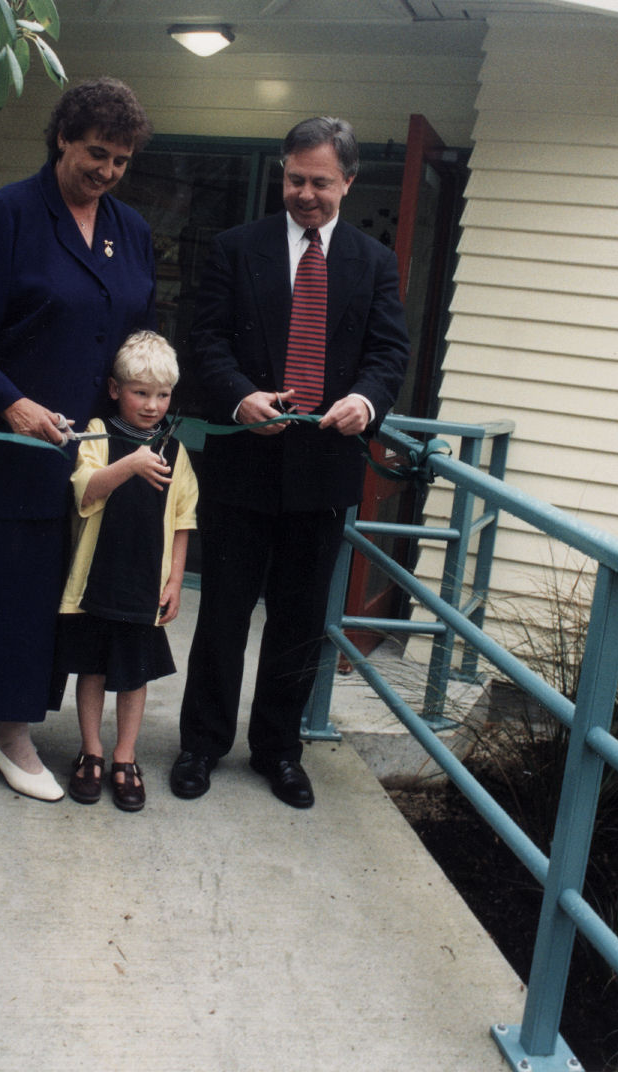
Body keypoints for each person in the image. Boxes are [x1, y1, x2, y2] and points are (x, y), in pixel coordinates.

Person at [0, 77, 157, 802]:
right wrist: (13, 404)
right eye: (96, 152)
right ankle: (9, 733)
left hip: (82, 454)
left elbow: (131, 342)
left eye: (120, 159)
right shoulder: (12, 214)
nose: (106, 171)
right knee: (5, 589)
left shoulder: (132, 230)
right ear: (61, 137)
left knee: (49, 593)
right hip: (4, 447)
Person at [170, 115, 410, 809]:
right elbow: (206, 340)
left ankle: (277, 750)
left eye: (320, 183)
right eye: (294, 179)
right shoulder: (233, 248)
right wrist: (240, 397)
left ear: (348, 182)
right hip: (243, 465)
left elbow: (388, 355)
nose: (305, 194)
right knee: (220, 614)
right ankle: (201, 744)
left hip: (323, 472)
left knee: (299, 621)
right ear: (282, 173)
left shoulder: (372, 262)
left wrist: (365, 403)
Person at [54, 331, 198, 812]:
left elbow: (182, 521)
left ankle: (124, 757)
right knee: (92, 668)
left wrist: (175, 581)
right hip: (97, 582)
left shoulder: (176, 452)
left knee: (133, 676)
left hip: (144, 586)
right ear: (116, 390)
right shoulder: (98, 432)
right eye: (141, 392)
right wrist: (131, 463)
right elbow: (86, 490)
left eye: (162, 395)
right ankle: (90, 752)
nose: (152, 405)